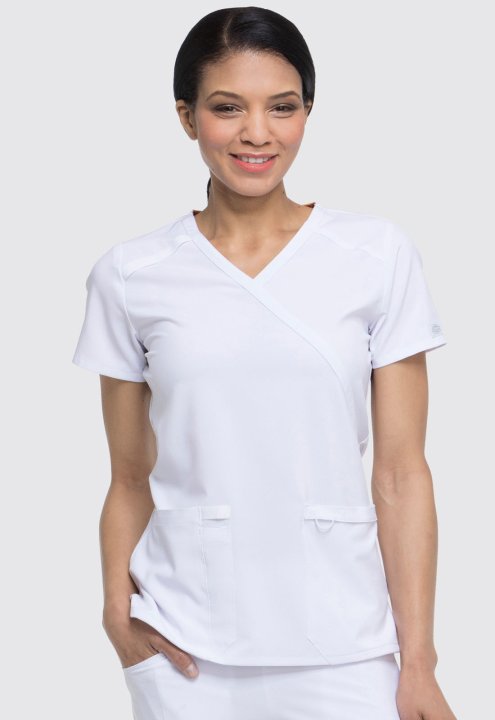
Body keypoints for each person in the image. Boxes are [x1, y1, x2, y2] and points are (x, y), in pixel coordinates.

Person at [72, 6, 458, 720]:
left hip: (346, 642)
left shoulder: (375, 256)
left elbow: (402, 475)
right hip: (185, 646)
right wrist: (117, 616)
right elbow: (128, 477)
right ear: (187, 117)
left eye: (282, 107)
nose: (257, 133)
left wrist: (419, 663)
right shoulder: (131, 275)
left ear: (307, 112)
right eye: (227, 108)